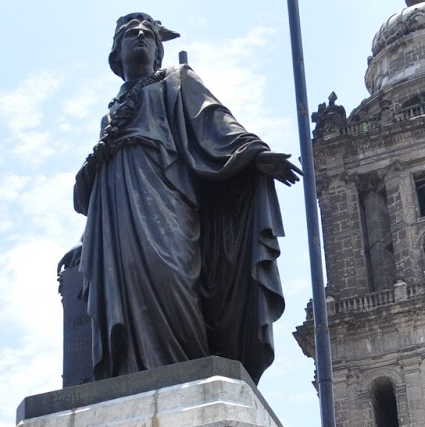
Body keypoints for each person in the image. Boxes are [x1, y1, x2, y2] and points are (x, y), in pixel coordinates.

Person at [71, 12, 296, 386]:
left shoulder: (177, 81)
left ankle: (186, 378)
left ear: (159, 51)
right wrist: (88, 241)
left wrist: (252, 154)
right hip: (117, 212)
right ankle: (133, 379)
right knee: (123, 288)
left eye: (147, 33)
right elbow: (100, 184)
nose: (140, 36)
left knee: (171, 277)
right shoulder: (110, 114)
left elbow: (214, 121)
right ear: (116, 53)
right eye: (130, 33)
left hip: (165, 198)